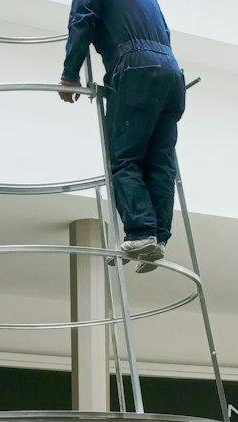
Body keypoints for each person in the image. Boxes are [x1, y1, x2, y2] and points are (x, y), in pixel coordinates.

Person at [59, 0, 185, 274]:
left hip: (135, 66)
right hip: (172, 72)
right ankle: (158, 238)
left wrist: (70, 74)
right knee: (160, 163)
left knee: (125, 159)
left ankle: (141, 233)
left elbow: (82, 20)